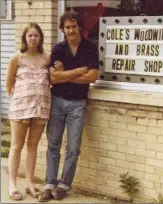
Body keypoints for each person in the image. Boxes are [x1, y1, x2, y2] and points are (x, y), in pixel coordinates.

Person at [38, 10, 99, 202]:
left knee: (73, 147)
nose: (71, 30)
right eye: (67, 27)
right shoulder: (58, 49)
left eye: (74, 26)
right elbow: (54, 77)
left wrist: (66, 74)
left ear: (79, 27)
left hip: (78, 104)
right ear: (62, 29)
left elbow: (93, 77)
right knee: (53, 144)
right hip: (57, 101)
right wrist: (79, 71)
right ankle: (49, 184)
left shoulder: (90, 48)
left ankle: (63, 185)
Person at [6, 23, 51, 200]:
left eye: (36, 35)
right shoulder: (16, 58)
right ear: (25, 38)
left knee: (33, 145)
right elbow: (9, 84)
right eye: (30, 35)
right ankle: (12, 183)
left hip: (41, 107)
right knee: (17, 146)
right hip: (20, 108)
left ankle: (30, 183)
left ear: (40, 38)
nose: (33, 38)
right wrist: (21, 100)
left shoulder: (47, 58)